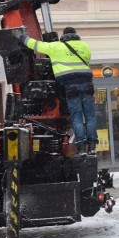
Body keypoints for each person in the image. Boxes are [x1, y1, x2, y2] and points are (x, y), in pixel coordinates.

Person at [17, 26, 98, 154]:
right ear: (75, 34)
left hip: (70, 86)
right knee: (90, 116)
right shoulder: (85, 46)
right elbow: (85, 61)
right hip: (87, 84)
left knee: (77, 117)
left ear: (64, 36)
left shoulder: (56, 47)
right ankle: (92, 146)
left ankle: (82, 146)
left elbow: (36, 45)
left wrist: (22, 37)